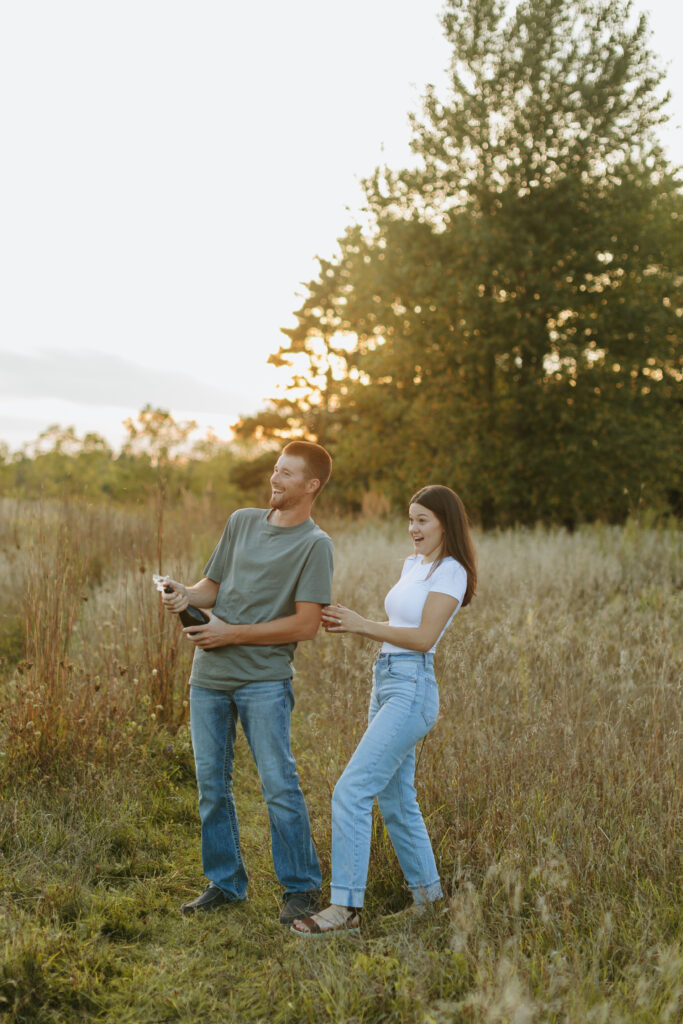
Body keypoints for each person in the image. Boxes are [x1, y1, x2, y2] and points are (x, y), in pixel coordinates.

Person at [160, 440, 333, 925]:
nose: (275, 480)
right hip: (209, 678)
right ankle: (226, 883)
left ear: (311, 485)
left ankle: (300, 888)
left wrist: (229, 632)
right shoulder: (241, 522)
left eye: (287, 474)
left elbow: (305, 625)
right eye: (275, 470)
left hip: (264, 681)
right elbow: (209, 589)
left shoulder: (315, 546)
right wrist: (182, 594)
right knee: (212, 786)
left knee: (279, 786)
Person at [291, 484, 476, 936]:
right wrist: (345, 619)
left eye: (422, 521)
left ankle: (345, 909)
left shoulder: (451, 572)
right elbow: (399, 626)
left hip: (412, 685)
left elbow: (423, 638)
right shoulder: (416, 565)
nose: (412, 529)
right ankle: (430, 902)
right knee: (396, 800)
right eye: (410, 519)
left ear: (445, 524)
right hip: (387, 680)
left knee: (350, 791)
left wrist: (360, 624)